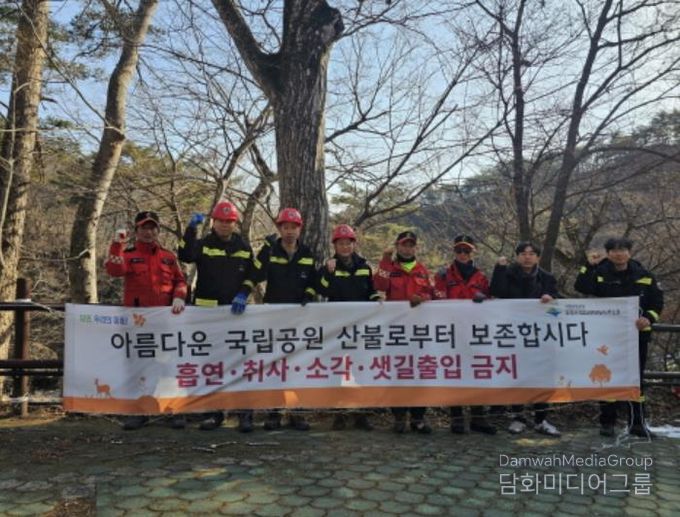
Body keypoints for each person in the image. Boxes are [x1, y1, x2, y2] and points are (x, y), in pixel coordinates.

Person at [177, 200, 257, 432]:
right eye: (221, 221)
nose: (224, 225)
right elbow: (185, 254)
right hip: (207, 316)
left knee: (240, 363)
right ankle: (214, 413)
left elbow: (252, 274)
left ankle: (244, 413)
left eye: (229, 221)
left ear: (235, 223)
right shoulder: (204, 244)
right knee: (211, 365)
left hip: (235, 315)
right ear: (214, 222)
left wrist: (244, 293)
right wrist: (191, 229)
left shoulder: (243, 247)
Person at [105, 210, 188, 431]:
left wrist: (179, 297)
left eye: (152, 228)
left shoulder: (169, 257)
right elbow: (114, 270)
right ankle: (140, 412)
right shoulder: (128, 254)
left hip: (165, 325)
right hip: (138, 325)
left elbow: (180, 281)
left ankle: (173, 410)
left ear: (158, 230)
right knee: (140, 367)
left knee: (168, 367)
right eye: (144, 228)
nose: (148, 232)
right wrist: (117, 245)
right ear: (137, 230)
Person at [574, 237, 663, 438]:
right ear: (608, 253)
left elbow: (657, 302)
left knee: (636, 380)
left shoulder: (645, 275)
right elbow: (581, 287)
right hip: (606, 336)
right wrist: (589, 266)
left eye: (623, 250)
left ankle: (637, 424)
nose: (618, 254)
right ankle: (607, 423)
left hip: (637, 336)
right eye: (613, 250)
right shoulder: (599, 272)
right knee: (606, 377)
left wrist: (648, 318)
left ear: (629, 252)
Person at [252, 207, 318, 431]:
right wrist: (265, 250)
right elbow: (257, 274)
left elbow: (313, 281)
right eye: (285, 227)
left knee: (299, 364)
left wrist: (309, 294)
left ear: (300, 229)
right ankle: (274, 412)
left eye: (294, 227)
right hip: (274, 317)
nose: (289, 231)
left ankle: (298, 413)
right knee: (276, 364)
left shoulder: (307, 253)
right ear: (279, 229)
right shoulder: (271, 250)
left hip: (300, 319)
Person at [489, 241, 561, 437]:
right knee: (517, 374)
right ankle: (518, 417)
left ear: (538, 257)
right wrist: (499, 269)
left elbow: (557, 304)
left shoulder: (546, 277)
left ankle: (541, 419)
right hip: (513, 334)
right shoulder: (508, 273)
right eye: (523, 253)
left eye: (531, 253)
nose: (527, 257)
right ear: (517, 256)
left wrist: (551, 298)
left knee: (541, 376)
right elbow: (497, 292)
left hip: (540, 335)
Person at [318, 224, 381, 431]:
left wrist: (377, 301)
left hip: (360, 328)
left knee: (361, 369)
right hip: (337, 328)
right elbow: (321, 290)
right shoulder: (329, 266)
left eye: (348, 243)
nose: (345, 247)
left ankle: (361, 414)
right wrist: (328, 273)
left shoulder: (364, 266)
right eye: (341, 244)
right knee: (338, 370)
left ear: (354, 244)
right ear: (335, 246)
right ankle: (339, 414)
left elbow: (370, 291)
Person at [434, 235, 496, 435]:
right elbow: (437, 299)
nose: (462, 254)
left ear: (472, 253)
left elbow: (491, 301)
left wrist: (484, 298)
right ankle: (457, 418)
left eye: (466, 251)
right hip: (452, 331)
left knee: (478, 372)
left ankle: (478, 416)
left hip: (475, 332)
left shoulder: (481, 277)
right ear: (454, 252)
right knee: (455, 373)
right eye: (459, 250)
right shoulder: (443, 275)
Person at [374, 230, 434, 434]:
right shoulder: (390, 267)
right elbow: (379, 285)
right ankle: (399, 416)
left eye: (411, 245)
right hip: (396, 330)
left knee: (420, 372)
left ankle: (418, 417)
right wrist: (384, 260)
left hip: (419, 330)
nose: (407, 249)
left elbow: (432, 294)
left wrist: (422, 299)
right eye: (404, 245)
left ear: (415, 248)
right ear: (397, 246)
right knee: (397, 372)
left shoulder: (422, 270)